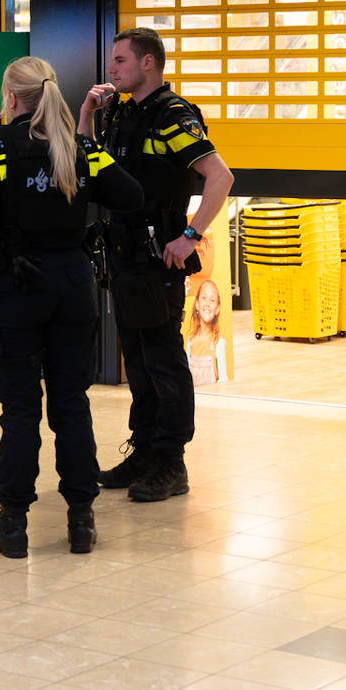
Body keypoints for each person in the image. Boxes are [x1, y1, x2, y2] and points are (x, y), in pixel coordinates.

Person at [0, 56, 142, 558]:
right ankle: (81, 520)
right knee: (70, 403)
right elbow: (130, 195)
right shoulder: (80, 148)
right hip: (74, 287)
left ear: (11, 98)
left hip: (18, 290)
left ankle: (13, 525)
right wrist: (90, 151)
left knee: (19, 410)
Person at [79, 26, 234, 502]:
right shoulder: (121, 113)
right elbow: (89, 164)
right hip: (123, 259)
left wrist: (191, 236)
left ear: (148, 63)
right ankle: (144, 450)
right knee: (139, 363)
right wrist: (86, 114)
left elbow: (220, 177)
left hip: (155, 260)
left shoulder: (172, 116)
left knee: (163, 363)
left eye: (120, 60)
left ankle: (171, 462)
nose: (111, 69)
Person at [185, 277, 228, 385]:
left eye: (212, 300)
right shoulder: (191, 341)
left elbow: (223, 381)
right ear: (197, 304)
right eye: (204, 298)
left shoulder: (218, 343)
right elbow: (186, 377)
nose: (207, 303)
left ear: (217, 309)